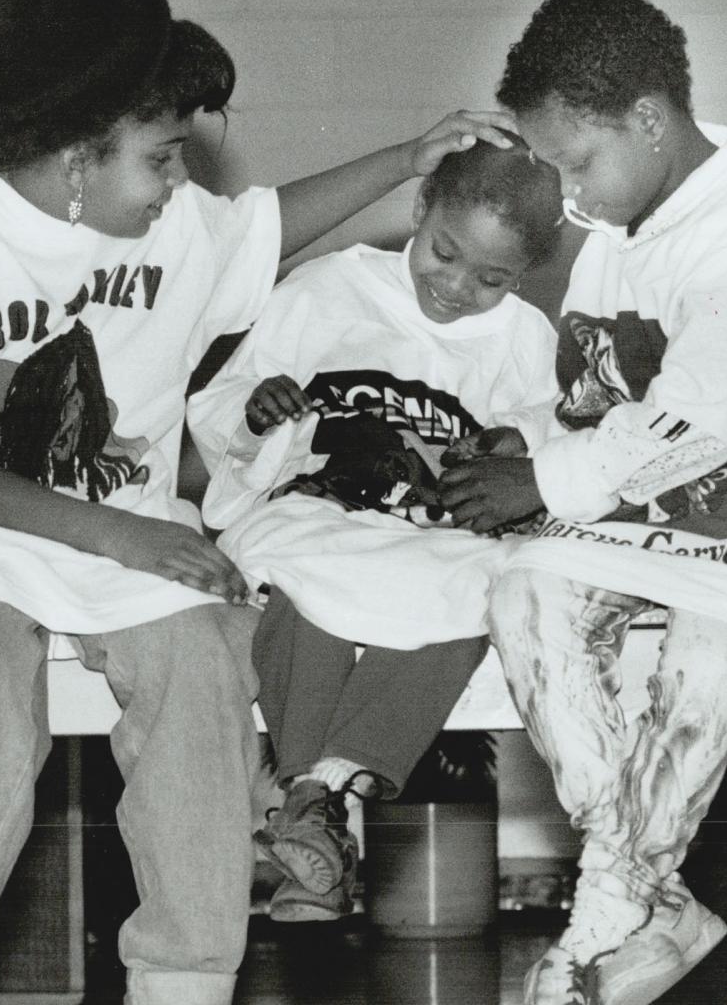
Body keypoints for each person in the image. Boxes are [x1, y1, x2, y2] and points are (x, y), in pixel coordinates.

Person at [0, 0, 512, 1005]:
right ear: (75, 159)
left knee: (203, 661)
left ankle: (188, 977)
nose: (179, 182)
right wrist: (124, 537)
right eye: (158, 159)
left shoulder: (168, 224)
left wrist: (406, 158)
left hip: (123, 537)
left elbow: (273, 226)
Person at [437, 0, 727, 1005]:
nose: (573, 195)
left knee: (700, 656)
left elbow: (710, 413)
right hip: (657, 497)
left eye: (579, 163)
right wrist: (533, 439)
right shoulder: (621, 226)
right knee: (525, 589)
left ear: (648, 120)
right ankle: (652, 903)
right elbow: (602, 396)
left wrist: (545, 477)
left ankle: (605, 916)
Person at [187, 137, 563, 922]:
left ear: (523, 276)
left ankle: (311, 801)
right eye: (444, 254)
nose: (457, 287)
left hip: (435, 534)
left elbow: (543, 432)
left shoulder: (524, 337)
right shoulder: (328, 285)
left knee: (471, 603)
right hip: (320, 510)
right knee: (299, 586)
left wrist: (515, 444)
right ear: (419, 212)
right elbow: (231, 400)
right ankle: (319, 805)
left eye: (491, 278)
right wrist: (258, 414)